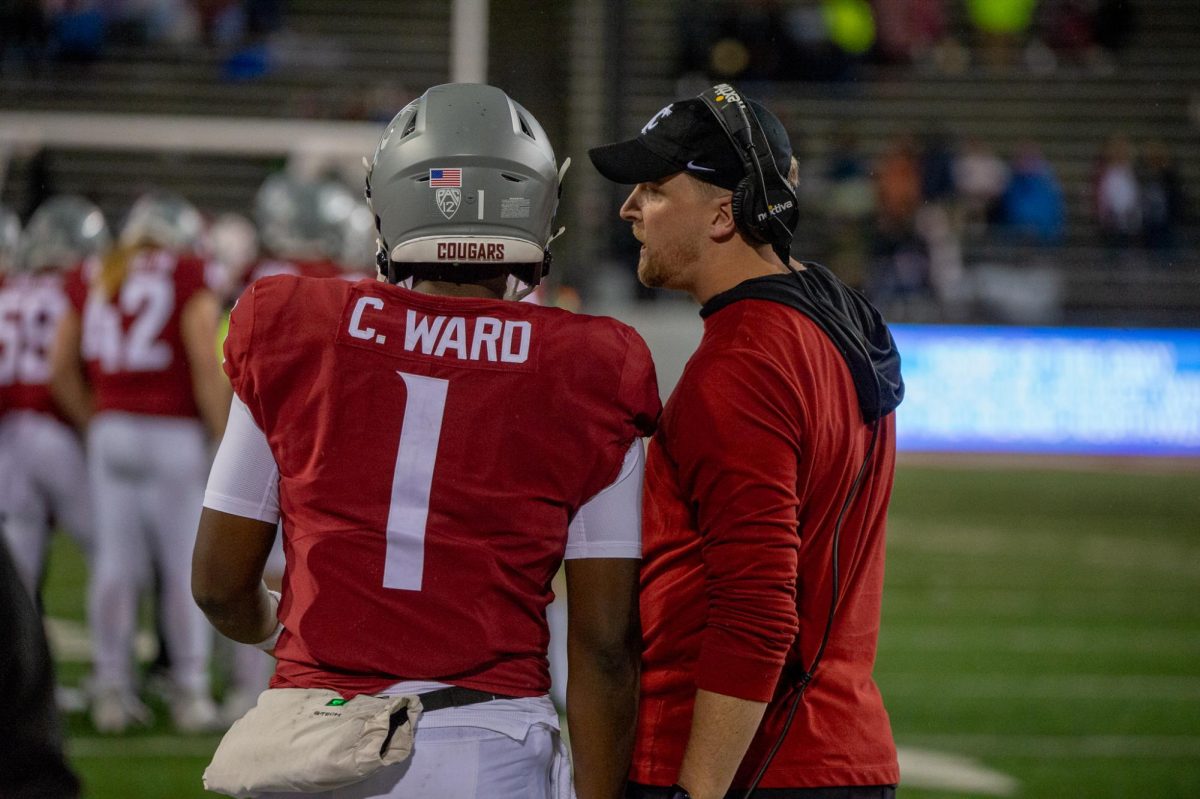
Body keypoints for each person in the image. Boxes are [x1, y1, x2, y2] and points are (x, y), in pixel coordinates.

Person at [191, 82, 661, 799]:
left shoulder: (292, 323)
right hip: (485, 745)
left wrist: (281, 640)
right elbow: (603, 645)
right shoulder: (594, 364)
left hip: (314, 737)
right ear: (534, 208)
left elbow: (220, 585)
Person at [589, 83, 904, 799]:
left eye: (653, 188)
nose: (629, 208)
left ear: (724, 213)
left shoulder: (742, 364)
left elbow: (758, 610)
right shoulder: (833, 318)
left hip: (755, 763)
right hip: (832, 742)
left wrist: (696, 791)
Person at [50, 190, 230, 734]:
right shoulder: (189, 270)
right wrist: (221, 435)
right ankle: (190, 693)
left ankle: (111, 690)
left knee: (114, 565)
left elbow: (60, 366)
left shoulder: (101, 269)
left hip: (112, 429)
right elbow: (203, 352)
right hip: (170, 432)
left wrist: (95, 422)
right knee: (181, 566)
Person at [0, 196, 107, 600]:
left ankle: (18, 661)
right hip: (54, 428)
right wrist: (92, 426)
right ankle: (114, 662)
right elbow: (68, 368)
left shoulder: (9, 286)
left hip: (9, 435)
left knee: (18, 570)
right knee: (107, 549)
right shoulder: (80, 284)